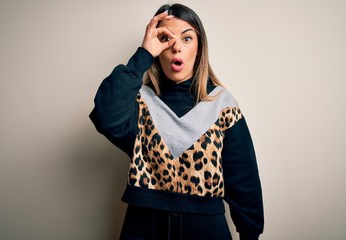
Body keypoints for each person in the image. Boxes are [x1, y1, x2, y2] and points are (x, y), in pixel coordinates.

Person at [90, 3, 264, 240]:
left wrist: (250, 234)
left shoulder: (221, 103)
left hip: (206, 229)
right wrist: (143, 54)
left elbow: (244, 178)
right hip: (143, 226)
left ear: (199, 48)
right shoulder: (139, 101)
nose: (176, 47)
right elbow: (106, 116)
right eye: (165, 38)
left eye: (187, 39)